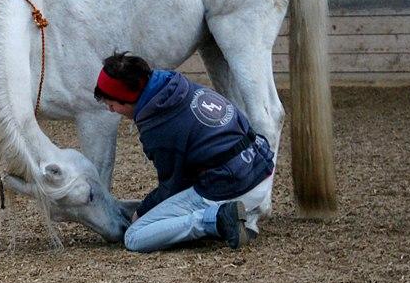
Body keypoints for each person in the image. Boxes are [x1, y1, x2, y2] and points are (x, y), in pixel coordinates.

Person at [94, 52, 275, 252]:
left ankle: (218, 220)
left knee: (135, 236)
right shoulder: (178, 88)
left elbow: (173, 184)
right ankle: (242, 216)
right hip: (260, 168)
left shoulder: (160, 125)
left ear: (126, 99)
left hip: (233, 186)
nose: (111, 111)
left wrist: (142, 213)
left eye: (111, 105)